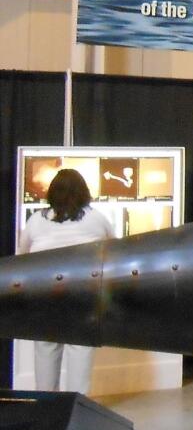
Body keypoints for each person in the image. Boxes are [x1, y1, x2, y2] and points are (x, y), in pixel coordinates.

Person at [17, 168, 115, 394]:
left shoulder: (36, 221)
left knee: (45, 352)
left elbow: (22, 257)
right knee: (79, 354)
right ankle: (76, 413)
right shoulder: (96, 218)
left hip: (43, 296)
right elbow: (115, 251)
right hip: (83, 296)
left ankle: (46, 412)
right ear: (84, 192)